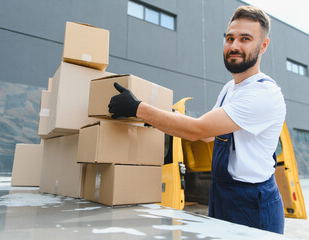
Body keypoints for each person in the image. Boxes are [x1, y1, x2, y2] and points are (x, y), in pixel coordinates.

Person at [108, 5, 286, 234]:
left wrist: (138, 109)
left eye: (245, 39)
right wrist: (159, 114)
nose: (234, 46)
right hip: (222, 194)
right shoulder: (229, 89)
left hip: (252, 203)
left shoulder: (264, 94)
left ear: (263, 46)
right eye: (230, 38)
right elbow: (210, 135)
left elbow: (197, 130)